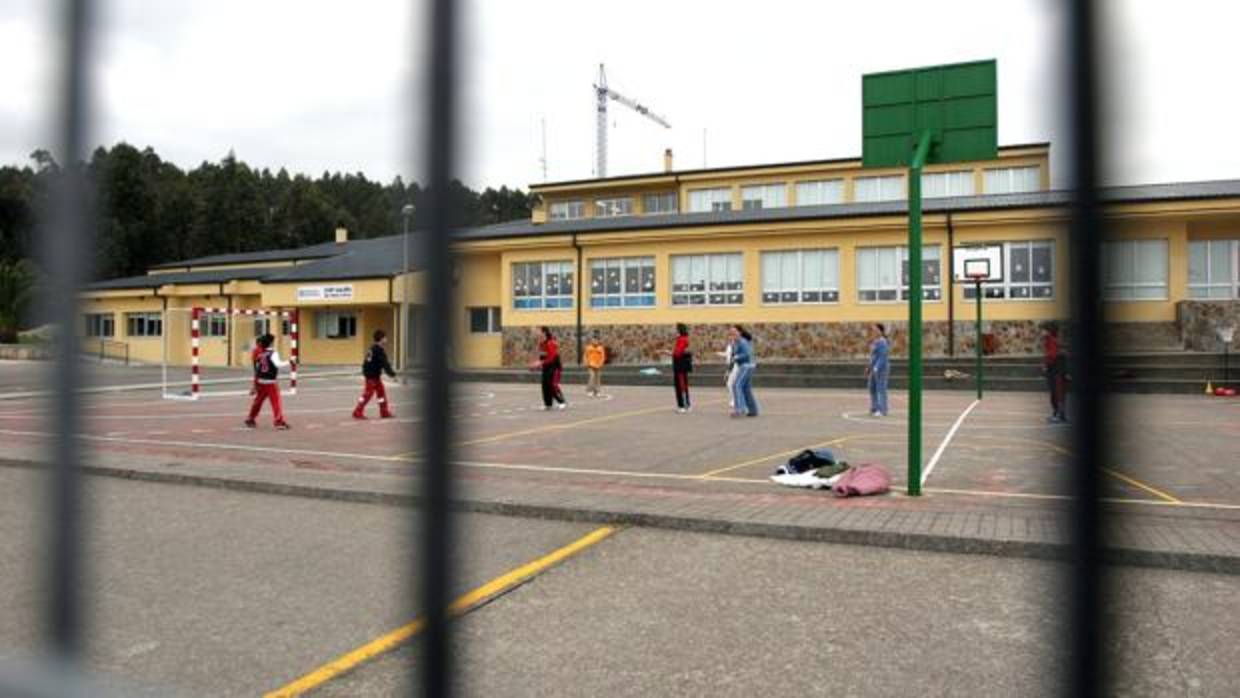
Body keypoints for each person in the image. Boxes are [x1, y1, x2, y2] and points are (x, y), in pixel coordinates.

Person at [245, 333, 290, 429]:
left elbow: (257, 368)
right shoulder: (273, 353)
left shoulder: (260, 354)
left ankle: (250, 418)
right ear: (271, 343)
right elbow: (278, 364)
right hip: (270, 382)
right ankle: (278, 421)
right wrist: (290, 361)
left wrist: (255, 383)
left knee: (258, 401)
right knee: (276, 402)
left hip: (261, 380)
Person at [353, 329, 397, 419]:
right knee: (367, 394)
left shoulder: (372, 348)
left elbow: (366, 361)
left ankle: (384, 412)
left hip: (374, 376)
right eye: (385, 337)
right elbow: (385, 363)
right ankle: (357, 411)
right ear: (381, 339)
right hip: (372, 377)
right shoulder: (379, 350)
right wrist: (392, 374)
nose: (386, 339)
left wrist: (365, 372)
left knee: (381, 394)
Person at [660, 323, 692, 412]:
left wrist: (666, 352)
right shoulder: (681, 339)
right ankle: (686, 405)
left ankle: (683, 406)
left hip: (680, 366)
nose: (674, 330)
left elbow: (677, 353)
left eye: (675, 329)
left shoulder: (682, 340)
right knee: (683, 385)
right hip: (680, 365)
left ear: (679, 330)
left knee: (680, 386)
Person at [1041, 321, 1068, 423]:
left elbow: (1052, 355)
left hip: (1057, 371)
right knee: (1056, 393)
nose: (1041, 332)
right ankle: (1058, 413)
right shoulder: (1050, 340)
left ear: (1049, 331)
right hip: (1055, 371)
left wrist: (1046, 364)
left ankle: (1060, 415)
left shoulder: (1051, 340)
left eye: (1043, 330)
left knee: (1057, 393)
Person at [730, 325, 759, 417]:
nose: (732, 333)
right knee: (746, 388)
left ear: (740, 332)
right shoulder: (736, 342)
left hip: (747, 366)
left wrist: (736, 357)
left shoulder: (742, 342)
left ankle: (740, 409)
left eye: (734, 331)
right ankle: (753, 410)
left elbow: (747, 354)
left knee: (736, 385)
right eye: (731, 332)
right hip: (746, 366)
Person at [536, 326, 567, 410]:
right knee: (544, 385)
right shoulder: (541, 344)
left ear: (544, 332)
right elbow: (542, 356)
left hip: (555, 366)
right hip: (546, 367)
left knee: (552, 384)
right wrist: (538, 363)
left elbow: (551, 358)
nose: (537, 332)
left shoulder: (551, 343)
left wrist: (540, 363)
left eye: (538, 331)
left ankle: (562, 402)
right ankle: (548, 404)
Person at [865, 323, 890, 417]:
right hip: (874, 368)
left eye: (876, 330)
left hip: (881, 369)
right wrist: (869, 367)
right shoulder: (875, 342)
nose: (874, 332)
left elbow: (882, 357)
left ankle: (882, 409)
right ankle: (874, 407)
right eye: (873, 330)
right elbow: (873, 356)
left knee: (881, 388)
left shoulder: (883, 342)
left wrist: (876, 368)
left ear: (880, 331)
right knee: (872, 387)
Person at [715, 337, 738, 411]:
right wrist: (719, 353)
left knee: (731, 383)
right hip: (730, 366)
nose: (730, 341)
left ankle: (734, 400)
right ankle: (733, 399)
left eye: (732, 340)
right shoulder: (729, 347)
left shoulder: (737, 347)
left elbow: (734, 357)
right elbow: (727, 355)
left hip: (735, 366)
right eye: (730, 340)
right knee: (730, 384)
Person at [584, 331, 606, 397]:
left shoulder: (601, 348)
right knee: (592, 376)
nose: (595, 341)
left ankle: (597, 391)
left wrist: (600, 364)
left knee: (598, 378)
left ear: (598, 341)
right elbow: (585, 356)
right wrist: (586, 363)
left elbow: (603, 357)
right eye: (594, 340)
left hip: (598, 365)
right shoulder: (588, 347)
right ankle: (589, 390)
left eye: (596, 340)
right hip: (590, 365)